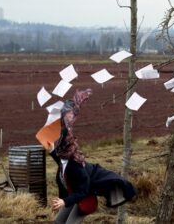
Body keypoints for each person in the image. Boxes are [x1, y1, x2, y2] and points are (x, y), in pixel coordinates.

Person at [48, 89, 137, 223]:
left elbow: (83, 191)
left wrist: (64, 202)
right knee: (58, 222)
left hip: (85, 200)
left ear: (68, 150)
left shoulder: (76, 166)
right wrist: (51, 151)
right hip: (72, 197)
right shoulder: (65, 159)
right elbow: (62, 163)